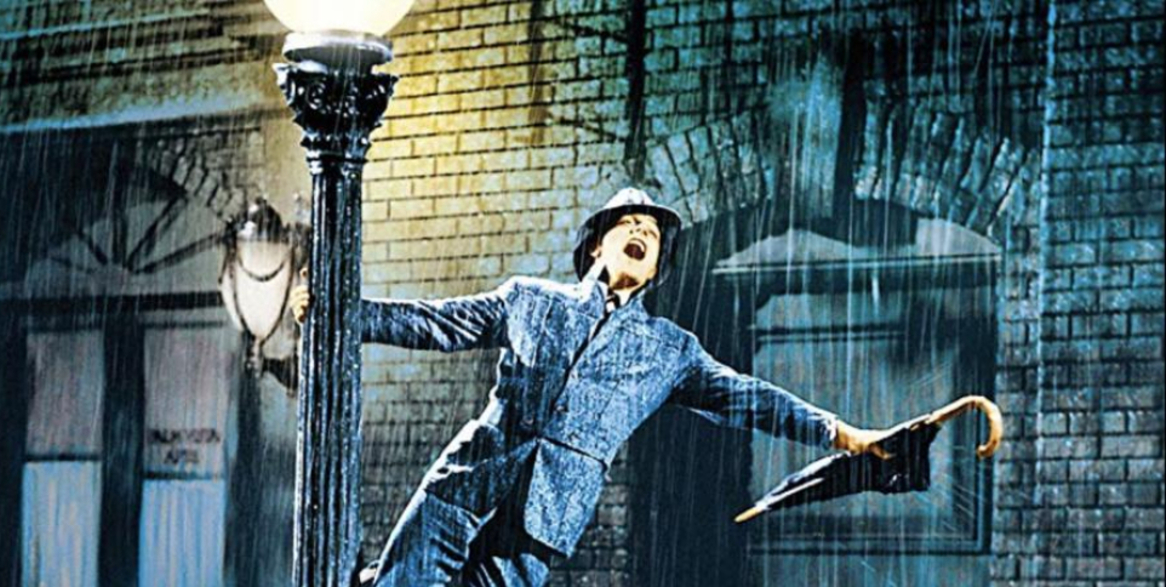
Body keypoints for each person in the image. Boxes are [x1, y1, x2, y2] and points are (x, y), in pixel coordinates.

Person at [290, 187, 892, 586]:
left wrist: (841, 434)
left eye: (651, 234)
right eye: (628, 224)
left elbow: (750, 398)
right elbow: (438, 323)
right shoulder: (529, 300)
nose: (641, 232)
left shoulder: (670, 350)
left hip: (543, 524)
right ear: (598, 245)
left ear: (655, 268)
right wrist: (341, 313)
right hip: (464, 488)